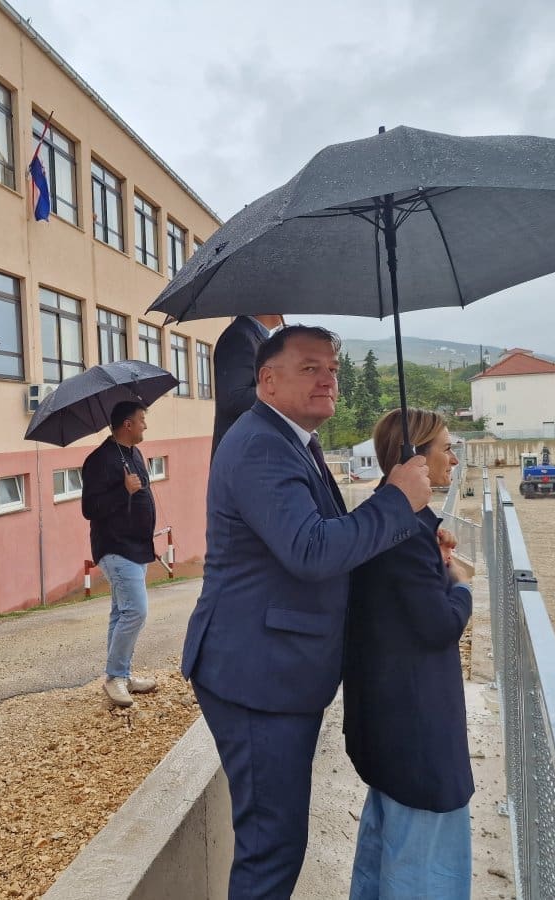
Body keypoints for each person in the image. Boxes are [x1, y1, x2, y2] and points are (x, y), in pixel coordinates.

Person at [181, 325, 432, 899]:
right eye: (310, 368)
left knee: (276, 839)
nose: (328, 380)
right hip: (255, 677)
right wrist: (396, 500)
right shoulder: (261, 446)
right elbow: (312, 549)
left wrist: (409, 533)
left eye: (333, 369)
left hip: (275, 671)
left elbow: (331, 540)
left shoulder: (291, 440)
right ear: (268, 380)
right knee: (271, 847)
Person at [342, 409, 474, 900]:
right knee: (424, 866)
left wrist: (435, 557)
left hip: (388, 726)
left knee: (386, 851)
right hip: (417, 733)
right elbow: (437, 625)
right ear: (414, 457)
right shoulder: (406, 533)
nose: (453, 459)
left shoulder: (384, 519)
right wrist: (461, 584)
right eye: (446, 448)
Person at [81, 400, 158, 708]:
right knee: (136, 611)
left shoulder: (133, 454)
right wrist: (122, 490)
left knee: (121, 612)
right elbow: (90, 508)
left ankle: (121, 675)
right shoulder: (99, 460)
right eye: (142, 420)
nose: (145, 425)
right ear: (127, 424)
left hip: (136, 546)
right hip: (115, 546)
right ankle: (115, 677)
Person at [211, 314, 284, 458]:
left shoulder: (256, 338)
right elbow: (234, 397)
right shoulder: (240, 337)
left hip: (253, 449)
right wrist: (282, 391)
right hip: (243, 453)